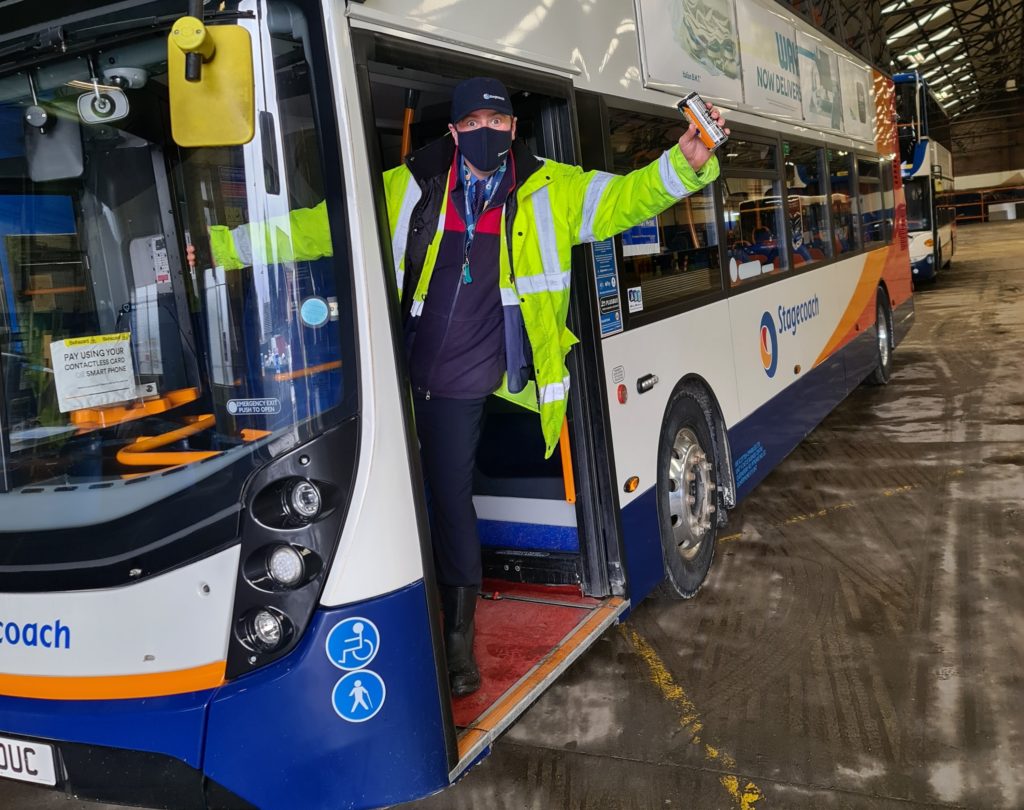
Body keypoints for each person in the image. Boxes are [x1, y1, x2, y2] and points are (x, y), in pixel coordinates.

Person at [208, 77, 728, 698]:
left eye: (500, 123)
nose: (489, 132)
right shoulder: (408, 187)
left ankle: (457, 638)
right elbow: (320, 230)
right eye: (475, 122)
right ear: (453, 131)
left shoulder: (550, 188)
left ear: (514, 130)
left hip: (467, 383)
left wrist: (687, 163)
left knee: (450, 500)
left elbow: (627, 197)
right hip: (394, 380)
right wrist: (219, 248)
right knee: (386, 497)